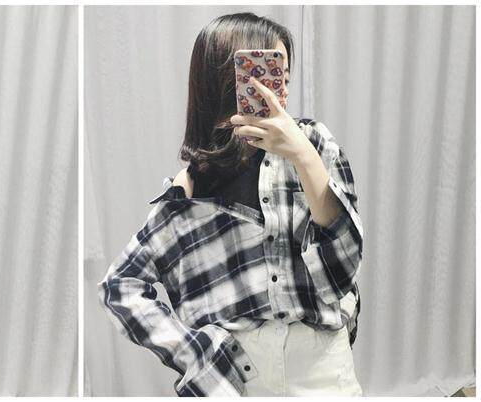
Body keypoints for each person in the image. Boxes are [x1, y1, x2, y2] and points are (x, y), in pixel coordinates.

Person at [97, 13, 364, 397]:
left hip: (321, 369)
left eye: (282, 78)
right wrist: (193, 354)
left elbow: (343, 274)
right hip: (236, 377)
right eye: (262, 76)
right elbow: (120, 286)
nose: (277, 93)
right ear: (224, 81)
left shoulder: (315, 145)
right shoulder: (188, 191)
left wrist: (304, 156)